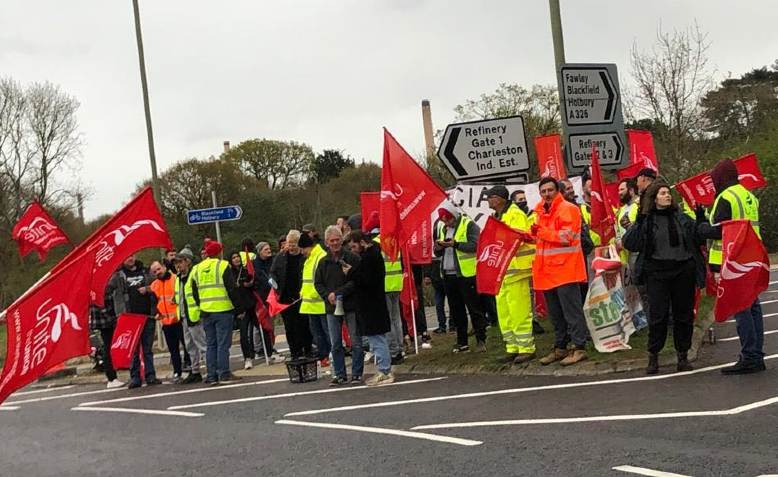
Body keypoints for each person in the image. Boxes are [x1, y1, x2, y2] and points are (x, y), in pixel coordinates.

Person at [623, 182, 706, 374]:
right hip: (657, 272)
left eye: (668, 193)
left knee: (683, 315)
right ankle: (653, 355)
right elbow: (631, 243)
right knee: (658, 316)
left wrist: (701, 218)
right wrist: (641, 220)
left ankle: (683, 355)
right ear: (654, 198)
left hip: (683, 270)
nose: (667, 196)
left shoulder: (681, 218)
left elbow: (698, 237)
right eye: (662, 193)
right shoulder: (647, 220)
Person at [697, 158, 766, 374]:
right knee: (753, 306)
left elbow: (720, 230)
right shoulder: (747, 195)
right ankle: (756, 353)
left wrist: (700, 227)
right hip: (751, 256)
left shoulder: (725, 197)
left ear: (720, 178)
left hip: (733, 258)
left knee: (741, 307)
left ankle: (750, 356)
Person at [532, 178, 589, 366]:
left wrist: (540, 232)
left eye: (550, 190)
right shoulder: (539, 211)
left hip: (565, 269)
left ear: (558, 191)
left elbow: (567, 236)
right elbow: (541, 239)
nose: (546, 194)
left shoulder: (568, 209)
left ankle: (579, 347)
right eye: (543, 191)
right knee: (555, 315)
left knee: (571, 312)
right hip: (547, 272)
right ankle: (560, 347)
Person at [485, 185, 537, 364]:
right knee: (505, 312)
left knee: (519, 310)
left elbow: (519, 238)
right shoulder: (496, 216)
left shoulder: (515, 214)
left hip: (516, 270)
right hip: (502, 272)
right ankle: (512, 347)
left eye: (490, 197)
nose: (488, 200)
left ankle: (526, 347)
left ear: (499, 198)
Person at [314, 225, 363, 386]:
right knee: (335, 343)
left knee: (355, 341)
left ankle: (356, 373)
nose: (335, 243)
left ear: (342, 240)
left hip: (350, 305)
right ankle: (340, 374)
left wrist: (339, 292)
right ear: (327, 242)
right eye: (332, 241)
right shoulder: (323, 262)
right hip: (331, 307)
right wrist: (327, 295)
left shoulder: (352, 258)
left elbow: (356, 281)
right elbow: (318, 283)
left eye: (337, 240)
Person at [435, 206, 487, 353]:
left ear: (454, 215)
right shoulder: (442, 228)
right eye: (444, 220)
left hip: (466, 274)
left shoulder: (468, 224)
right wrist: (439, 246)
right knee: (456, 310)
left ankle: (481, 339)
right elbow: (436, 252)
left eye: (449, 219)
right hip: (448, 274)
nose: (447, 223)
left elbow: (476, 245)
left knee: (474, 308)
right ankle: (462, 341)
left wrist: (455, 244)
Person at [191, 240, 242, 385]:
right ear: (219, 252)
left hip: (206, 311)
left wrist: (201, 305)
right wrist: (238, 308)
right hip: (223, 309)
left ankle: (211, 375)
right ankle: (224, 373)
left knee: (211, 344)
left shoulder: (197, 268)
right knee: (223, 344)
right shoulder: (223, 265)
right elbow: (231, 288)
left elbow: (194, 291)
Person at [106, 255, 161, 389]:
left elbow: (156, 286)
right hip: (129, 318)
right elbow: (107, 289)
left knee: (147, 349)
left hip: (147, 316)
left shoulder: (145, 272)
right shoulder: (119, 275)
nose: (130, 258)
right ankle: (135, 377)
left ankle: (150, 375)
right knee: (133, 350)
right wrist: (115, 312)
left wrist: (147, 290)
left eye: (132, 256)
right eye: (127, 256)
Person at [348, 230, 395, 386]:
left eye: (354, 246)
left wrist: (351, 273)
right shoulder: (372, 254)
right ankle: (383, 369)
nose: (353, 250)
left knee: (377, 338)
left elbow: (367, 280)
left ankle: (385, 370)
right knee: (376, 338)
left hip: (371, 304)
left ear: (362, 242)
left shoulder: (370, 257)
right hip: (372, 302)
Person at [271, 230, 313, 359]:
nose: (291, 246)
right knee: (289, 327)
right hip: (285, 298)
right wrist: (275, 287)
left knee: (304, 325)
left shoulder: (305, 257)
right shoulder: (280, 257)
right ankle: (294, 351)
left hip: (301, 297)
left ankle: (308, 350)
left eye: (294, 243)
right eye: (289, 243)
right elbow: (273, 273)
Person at [173, 247, 206, 384]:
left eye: (180, 262)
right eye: (176, 263)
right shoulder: (179, 278)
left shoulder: (193, 275)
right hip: (184, 316)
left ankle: (212, 370)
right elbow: (179, 296)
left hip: (194, 315)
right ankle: (195, 371)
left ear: (187, 262)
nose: (178, 266)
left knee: (202, 345)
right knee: (189, 346)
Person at [373, 231, 406, 364]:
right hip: (396, 282)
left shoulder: (377, 242)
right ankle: (400, 348)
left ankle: (393, 351)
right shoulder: (395, 239)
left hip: (385, 284)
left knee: (389, 320)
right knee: (396, 319)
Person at [149, 260, 185, 383]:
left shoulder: (175, 279)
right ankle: (177, 372)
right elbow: (153, 303)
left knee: (186, 347)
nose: (157, 272)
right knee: (173, 350)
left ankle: (191, 369)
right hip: (166, 322)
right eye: (154, 271)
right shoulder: (154, 285)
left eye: (159, 269)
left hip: (178, 319)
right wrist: (155, 313)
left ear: (164, 267)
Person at [298, 232, 331, 366]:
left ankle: (330, 355)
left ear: (307, 247)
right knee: (317, 334)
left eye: (302, 249)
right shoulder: (310, 259)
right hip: (311, 304)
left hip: (320, 303)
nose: (301, 252)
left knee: (326, 332)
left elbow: (320, 281)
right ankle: (323, 356)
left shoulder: (320, 257)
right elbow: (307, 281)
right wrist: (302, 293)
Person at [228, 251, 258, 370]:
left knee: (262, 328)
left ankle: (268, 352)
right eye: (233, 257)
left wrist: (251, 284)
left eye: (237, 257)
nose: (236, 259)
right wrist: (237, 310)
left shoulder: (246, 271)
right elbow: (231, 292)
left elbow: (255, 284)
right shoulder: (230, 274)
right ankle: (247, 358)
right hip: (241, 309)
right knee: (244, 334)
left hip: (252, 305)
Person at [89, 291, 124, 389]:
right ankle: (112, 378)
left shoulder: (93, 290)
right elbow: (103, 307)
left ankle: (111, 377)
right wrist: (114, 319)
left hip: (101, 321)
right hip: (106, 322)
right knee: (108, 348)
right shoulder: (100, 290)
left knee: (107, 347)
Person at [252, 241, 279, 360]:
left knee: (270, 323)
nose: (268, 251)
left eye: (269, 249)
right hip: (260, 297)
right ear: (259, 252)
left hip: (272, 296)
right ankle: (259, 348)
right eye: (265, 249)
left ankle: (270, 346)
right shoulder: (254, 264)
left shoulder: (273, 261)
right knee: (261, 324)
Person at [616, 178, 640, 266]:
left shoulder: (641, 204)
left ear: (631, 190)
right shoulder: (621, 210)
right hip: (625, 255)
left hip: (638, 252)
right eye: (618, 190)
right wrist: (618, 239)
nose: (619, 193)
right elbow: (617, 229)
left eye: (622, 189)